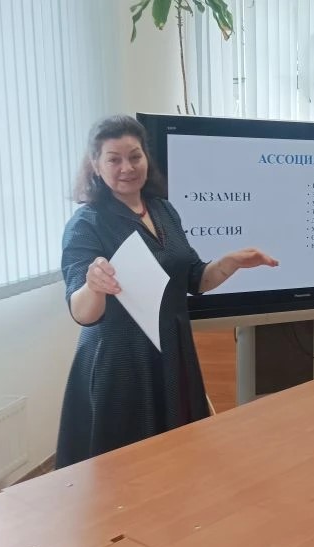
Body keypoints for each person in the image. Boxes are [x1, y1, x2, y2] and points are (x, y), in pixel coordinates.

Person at [56, 115, 278, 469]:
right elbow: (82, 312)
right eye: (114, 159)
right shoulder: (86, 224)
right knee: (125, 470)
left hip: (172, 352)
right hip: (121, 362)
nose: (127, 167)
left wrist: (229, 263)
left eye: (135, 156)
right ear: (96, 165)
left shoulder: (163, 210)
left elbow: (193, 280)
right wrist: (94, 285)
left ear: (146, 157)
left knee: (176, 462)